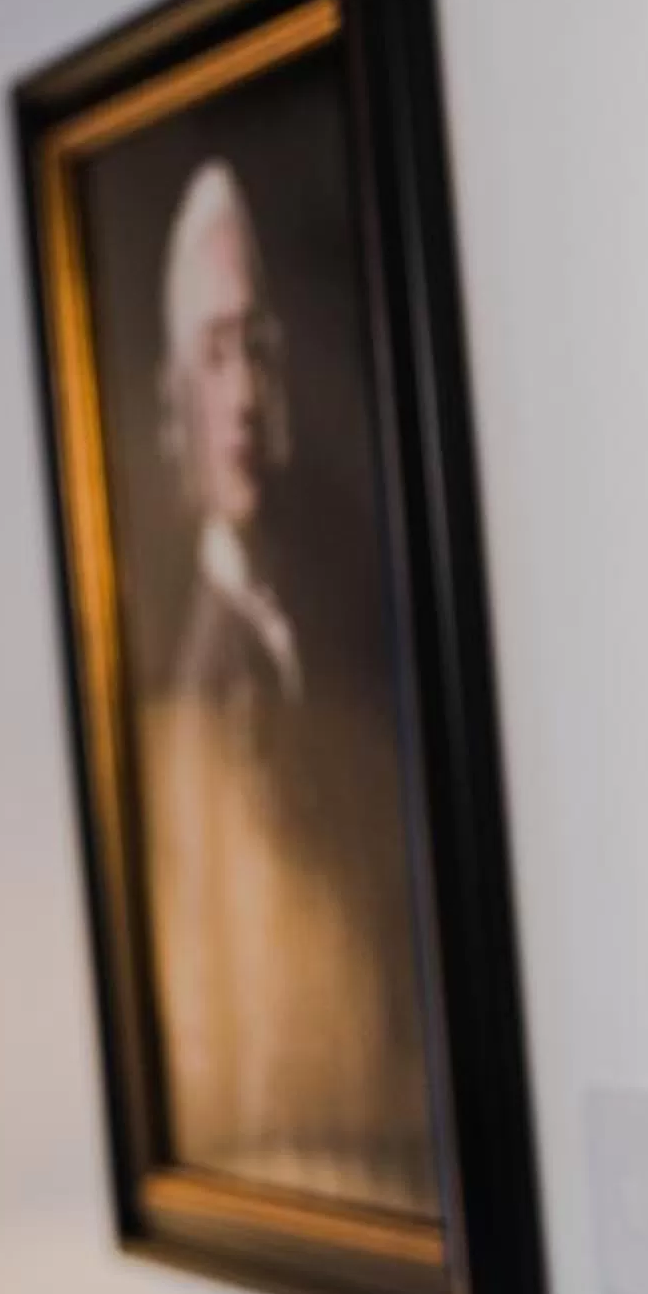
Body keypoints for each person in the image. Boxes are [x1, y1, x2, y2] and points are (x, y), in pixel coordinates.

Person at [140, 157, 435, 1219]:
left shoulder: (355, 611)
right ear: (174, 389)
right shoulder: (189, 674)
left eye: (259, 347)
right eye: (216, 353)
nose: (245, 394)